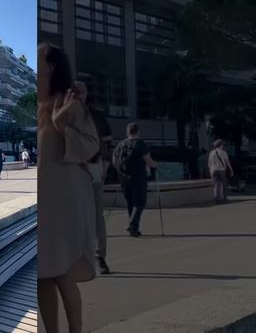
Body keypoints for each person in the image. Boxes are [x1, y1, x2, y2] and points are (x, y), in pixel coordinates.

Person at [38, 44, 99, 333]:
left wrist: (61, 125)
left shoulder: (70, 101)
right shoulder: (35, 105)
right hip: (42, 202)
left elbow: (91, 144)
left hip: (64, 201)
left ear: (50, 66)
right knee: (41, 275)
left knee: (62, 272)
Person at [74, 82, 111, 274]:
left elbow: (106, 143)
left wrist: (104, 165)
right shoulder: (64, 117)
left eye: (81, 92)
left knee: (96, 215)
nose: (77, 95)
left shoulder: (95, 116)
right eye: (74, 92)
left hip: (93, 167)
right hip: (71, 171)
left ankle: (99, 256)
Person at [113, 122, 157, 237]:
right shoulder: (140, 144)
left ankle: (134, 228)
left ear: (127, 132)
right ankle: (132, 225)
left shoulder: (120, 145)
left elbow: (114, 161)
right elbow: (148, 160)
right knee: (140, 203)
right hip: (138, 177)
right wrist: (154, 166)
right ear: (138, 132)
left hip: (124, 178)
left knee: (130, 203)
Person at [208, 139, 233, 204]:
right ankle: (224, 198)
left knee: (216, 185)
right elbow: (227, 162)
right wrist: (231, 170)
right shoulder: (223, 152)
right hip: (221, 170)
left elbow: (209, 164)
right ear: (221, 145)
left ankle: (216, 199)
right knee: (224, 184)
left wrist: (210, 172)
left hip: (213, 170)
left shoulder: (211, 153)